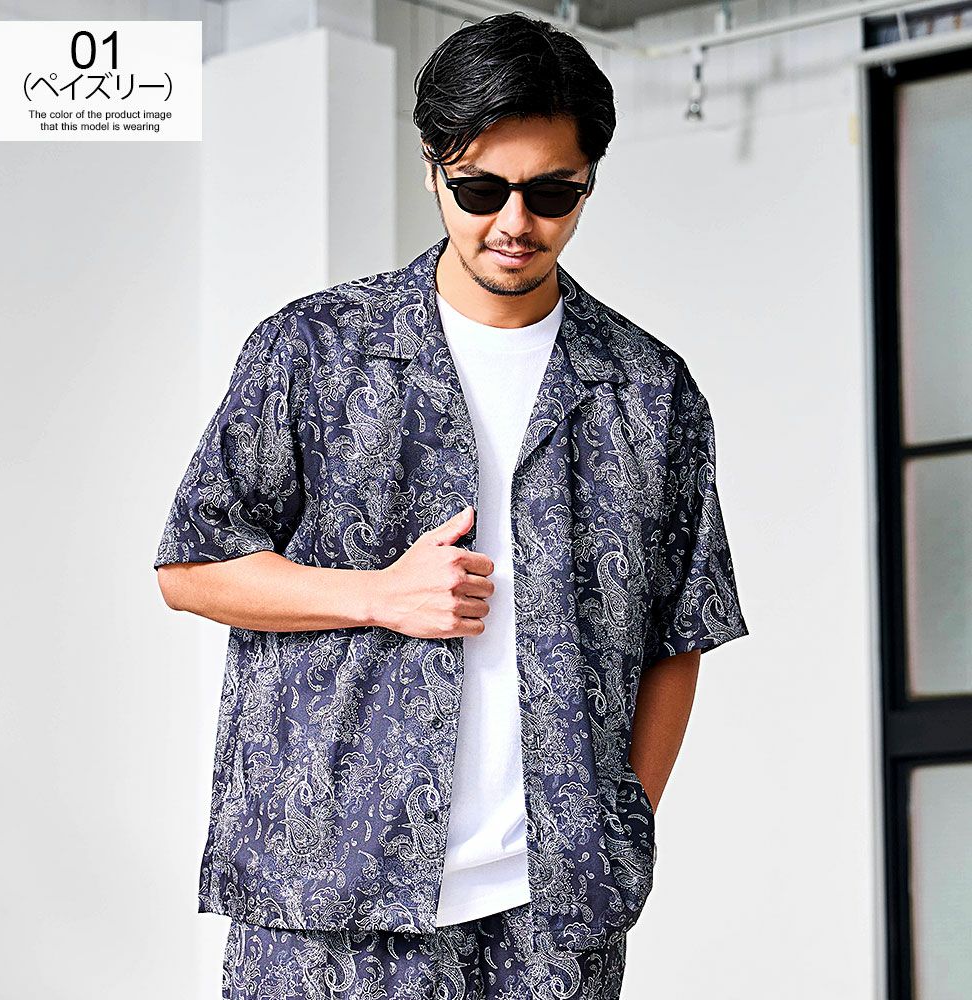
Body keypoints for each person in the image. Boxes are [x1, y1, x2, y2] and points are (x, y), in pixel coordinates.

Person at [154, 11, 749, 1000]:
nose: (514, 223)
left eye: (551, 193)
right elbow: (191, 567)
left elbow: (679, 631)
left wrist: (620, 824)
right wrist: (377, 594)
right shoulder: (313, 351)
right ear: (433, 168)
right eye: (481, 189)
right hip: (327, 897)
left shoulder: (649, 392)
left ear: (588, 182)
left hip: (552, 918)